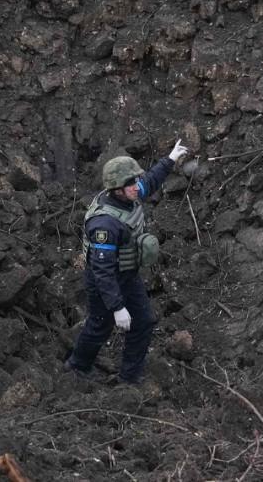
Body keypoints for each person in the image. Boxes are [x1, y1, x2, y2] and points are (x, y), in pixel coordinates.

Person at [65, 140, 194, 385]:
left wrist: (170, 159)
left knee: (144, 321)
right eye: (131, 184)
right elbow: (103, 271)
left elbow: (151, 181)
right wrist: (116, 307)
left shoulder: (129, 195)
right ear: (117, 189)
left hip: (127, 274)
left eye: (136, 182)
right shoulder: (105, 224)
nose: (138, 187)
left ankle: (129, 378)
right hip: (104, 281)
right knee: (99, 326)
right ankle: (77, 367)